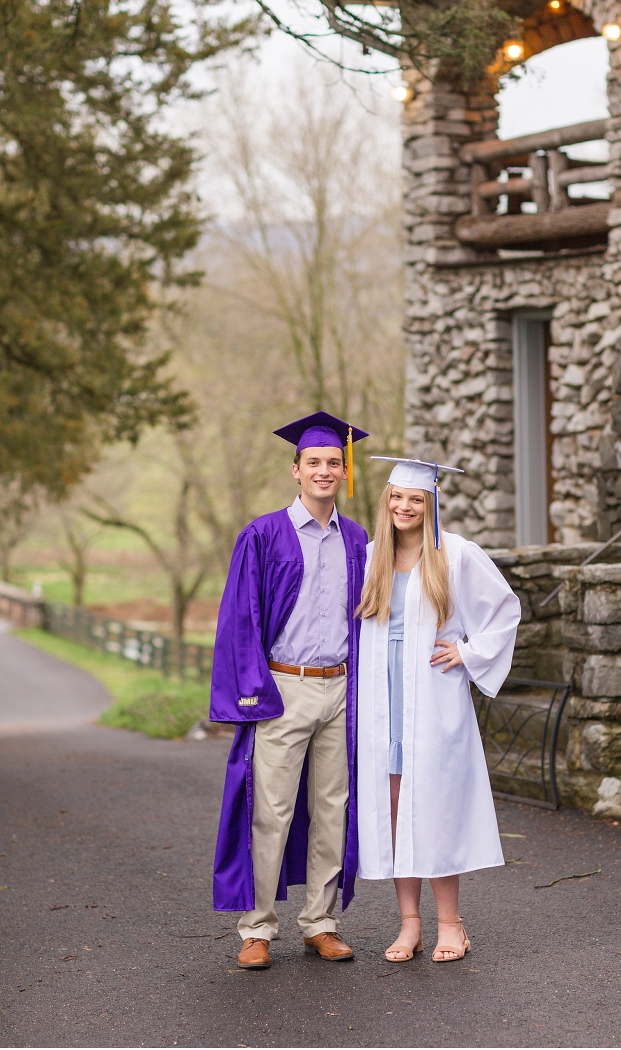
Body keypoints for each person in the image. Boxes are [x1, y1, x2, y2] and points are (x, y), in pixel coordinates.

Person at [209, 411, 369, 970]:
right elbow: (240, 619)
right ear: (295, 470)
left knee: (332, 809)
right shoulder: (264, 534)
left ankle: (320, 923)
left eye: (334, 463)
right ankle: (256, 928)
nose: (324, 471)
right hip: (283, 687)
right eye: (314, 462)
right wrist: (252, 692)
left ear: (344, 471)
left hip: (341, 689)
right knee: (270, 811)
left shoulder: (357, 538)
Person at [356, 457, 521, 963]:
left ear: (431, 505)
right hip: (382, 700)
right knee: (396, 811)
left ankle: (452, 924)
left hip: (432, 696)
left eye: (416, 499)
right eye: (397, 497)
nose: (404, 506)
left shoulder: (456, 554)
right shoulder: (370, 556)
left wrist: (468, 653)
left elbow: (504, 609)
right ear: (386, 500)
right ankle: (410, 925)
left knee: (435, 807)